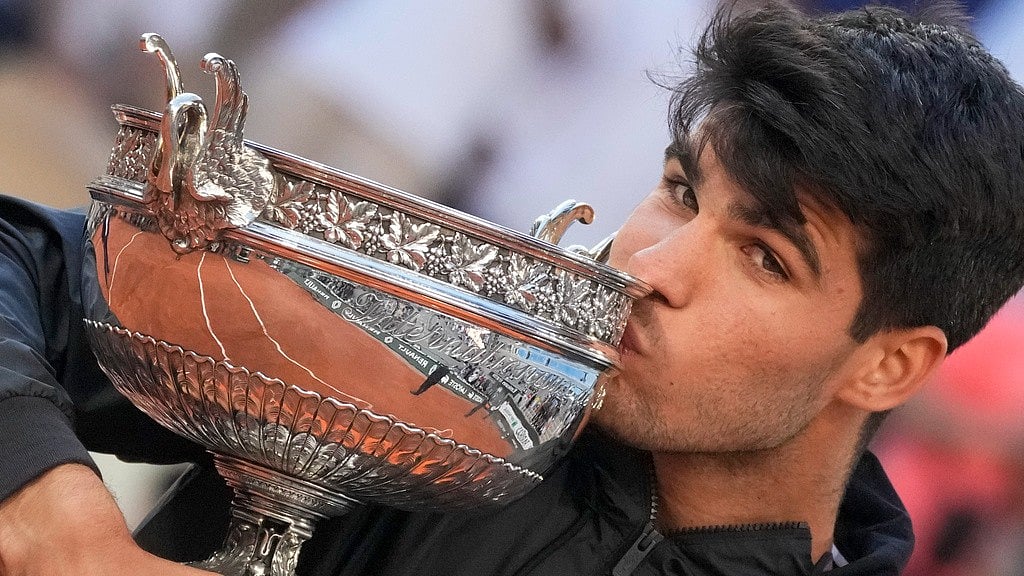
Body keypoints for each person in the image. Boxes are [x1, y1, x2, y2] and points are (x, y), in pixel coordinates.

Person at [2, 2, 1024, 574]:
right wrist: (63, 527)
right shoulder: (449, 364)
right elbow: (22, 264)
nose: (649, 268)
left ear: (892, 363)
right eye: (678, 192)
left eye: (764, 257)